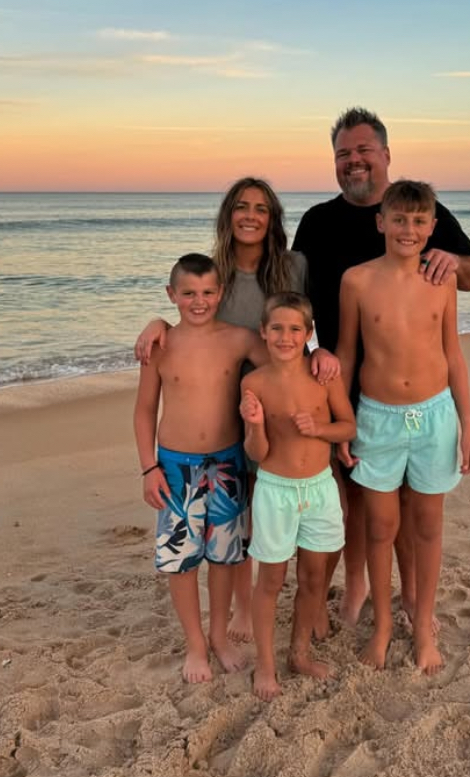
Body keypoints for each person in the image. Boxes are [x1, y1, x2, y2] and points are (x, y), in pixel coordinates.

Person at [292, 107, 470, 630]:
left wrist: (454, 260)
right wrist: (302, 354)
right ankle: (357, 585)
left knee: (411, 500)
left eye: (363, 150)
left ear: (385, 154)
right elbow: (291, 298)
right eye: (343, 154)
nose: (353, 161)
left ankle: (412, 596)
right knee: (359, 498)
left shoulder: (418, 211)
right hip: (342, 380)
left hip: (417, 395)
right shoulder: (317, 222)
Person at [134, 177, 339, 644]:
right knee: (238, 517)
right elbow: (189, 316)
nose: (250, 215)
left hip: (277, 407)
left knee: (269, 514)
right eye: (241, 206)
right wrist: (157, 322)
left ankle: (293, 603)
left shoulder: (293, 266)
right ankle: (243, 610)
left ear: (273, 218)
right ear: (228, 215)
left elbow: (306, 325)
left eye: (261, 208)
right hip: (227, 414)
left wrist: (320, 354)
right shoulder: (216, 273)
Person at [336, 180, 470, 675]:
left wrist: (468, 426)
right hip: (377, 419)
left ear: (433, 227)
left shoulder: (442, 281)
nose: (408, 229)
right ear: (381, 222)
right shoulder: (356, 281)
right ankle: (381, 626)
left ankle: (422, 627)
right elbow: (347, 355)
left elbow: (453, 355)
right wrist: (344, 421)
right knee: (380, 527)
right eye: (399, 219)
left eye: (419, 221)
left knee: (427, 526)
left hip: (434, 417)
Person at [133, 252, 268, 683]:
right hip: (175, 469)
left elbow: (285, 360)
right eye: (188, 293)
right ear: (171, 294)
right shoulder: (161, 346)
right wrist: (148, 468)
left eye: (208, 292)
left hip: (227, 464)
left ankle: (218, 637)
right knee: (182, 562)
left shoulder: (239, 339)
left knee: (225, 558)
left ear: (221, 293)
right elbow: (144, 410)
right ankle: (195, 645)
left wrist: (319, 357)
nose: (199, 301)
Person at [239, 292, 356, 701]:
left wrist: (319, 429)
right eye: (276, 328)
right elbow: (257, 453)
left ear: (308, 334)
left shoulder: (323, 376)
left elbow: (348, 427)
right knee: (270, 580)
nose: (285, 337)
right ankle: (265, 664)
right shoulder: (254, 383)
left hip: (320, 488)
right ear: (263, 332)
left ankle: (299, 654)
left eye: (294, 329)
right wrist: (256, 425)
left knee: (313, 577)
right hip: (275, 490)